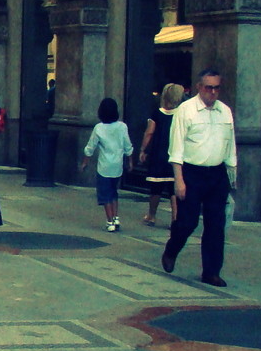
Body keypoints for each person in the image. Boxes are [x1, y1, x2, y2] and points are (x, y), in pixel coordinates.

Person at [161, 68, 237, 287]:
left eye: (216, 88)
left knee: (216, 224)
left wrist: (232, 172)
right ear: (199, 87)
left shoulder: (225, 111)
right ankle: (172, 249)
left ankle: (211, 271)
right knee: (188, 221)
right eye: (208, 87)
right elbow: (176, 148)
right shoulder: (186, 111)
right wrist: (179, 180)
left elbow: (230, 144)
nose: (212, 92)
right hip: (192, 172)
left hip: (217, 173)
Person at [80, 97, 133, 231]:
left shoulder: (99, 128)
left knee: (105, 195)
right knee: (114, 192)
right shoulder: (122, 126)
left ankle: (110, 221)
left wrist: (85, 162)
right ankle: (116, 217)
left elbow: (90, 147)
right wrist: (130, 161)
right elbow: (128, 146)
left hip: (104, 167)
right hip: (117, 166)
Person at [138, 83, 183, 227]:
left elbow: (149, 132)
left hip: (158, 154)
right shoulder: (181, 114)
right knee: (173, 189)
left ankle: (151, 215)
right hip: (175, 154)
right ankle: (175, 217)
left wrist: (143, 149)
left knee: (156, 187)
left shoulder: (157, 114)